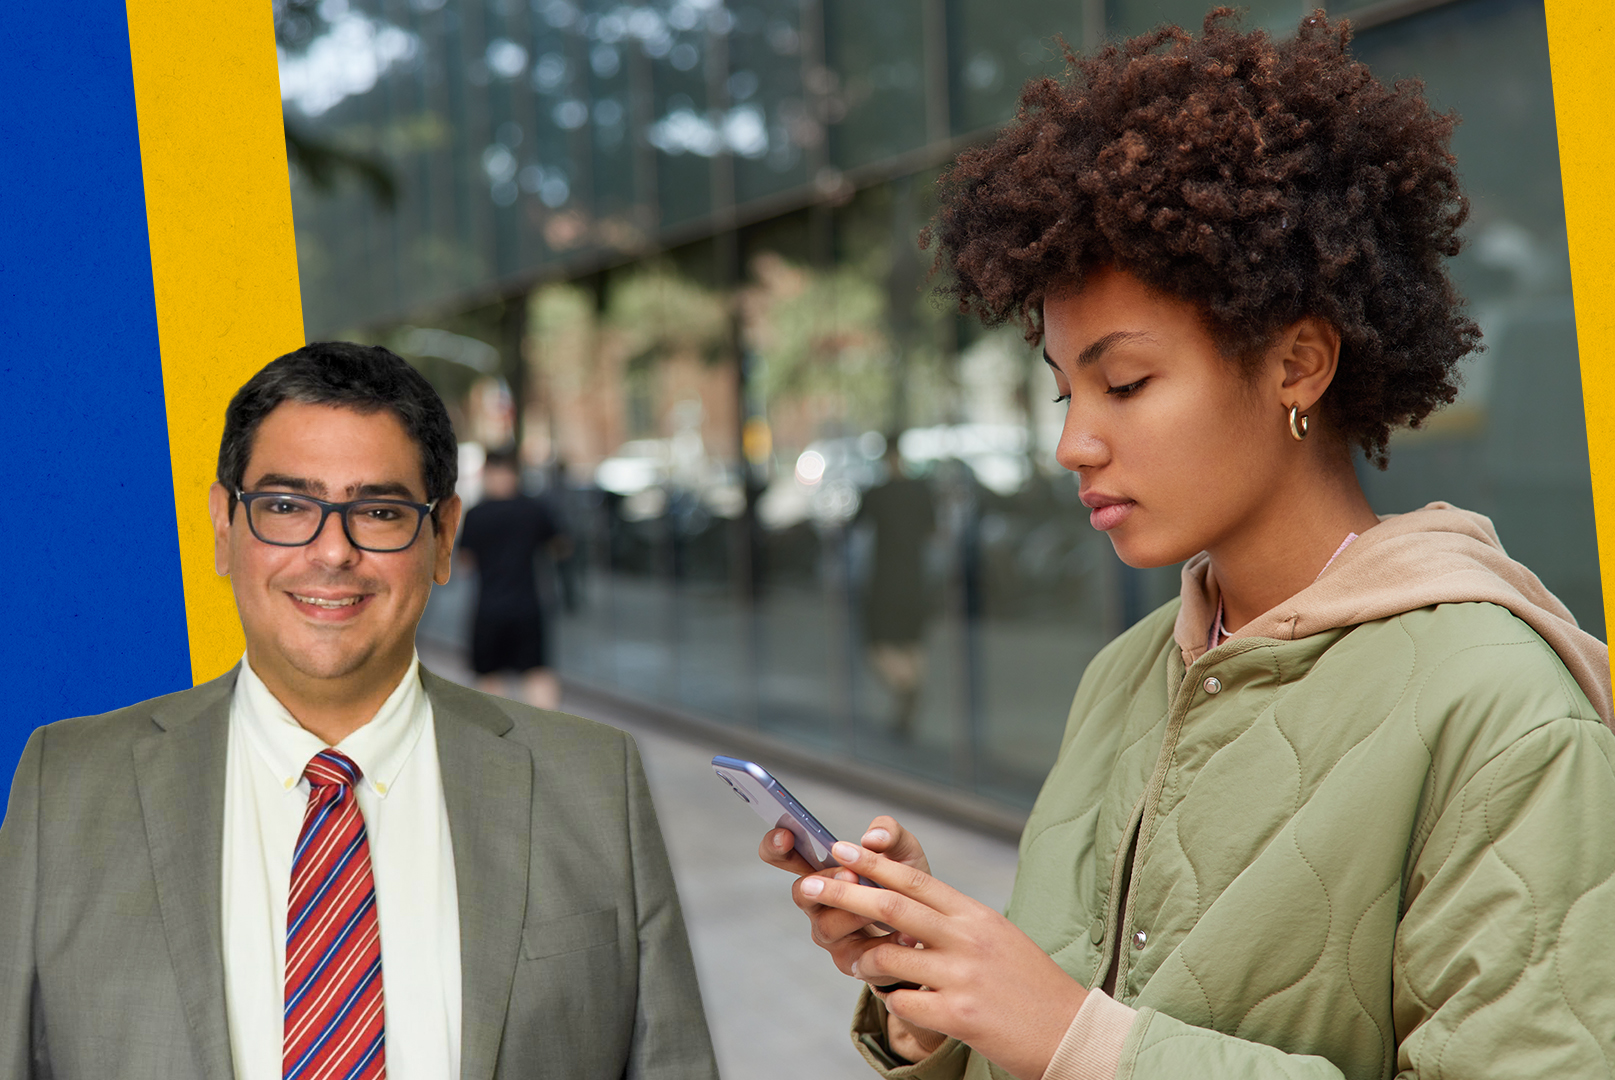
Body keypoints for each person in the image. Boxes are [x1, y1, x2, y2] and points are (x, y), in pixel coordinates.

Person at [760, 11, 1615, 1080]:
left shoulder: (1499, 708)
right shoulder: (1123, 678)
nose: (1073, 441)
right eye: (1066, 391)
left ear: (1299, 361)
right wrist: (936, 1008)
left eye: (1123, 384)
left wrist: (1082, 1039)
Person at [0, 342, 718, 1080]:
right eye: (285, 506)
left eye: (378, 511)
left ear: (442, 538)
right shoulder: (67, 788)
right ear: (224, 526)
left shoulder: (596, 782)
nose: (332, 551)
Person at [459, 446, 567, 710]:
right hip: (528, 606)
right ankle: (550, 739)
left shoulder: (476, 514)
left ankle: (503, 745)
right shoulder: (533, 509)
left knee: (490, 679)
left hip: (489, 608)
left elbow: (464, 563)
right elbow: (561, 547)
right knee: (537, 673)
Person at [855, 440, 938, 737]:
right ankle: (908, 691)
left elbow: (855, 527)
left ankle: (906, 690)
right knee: (910, 641)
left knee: (880, 643)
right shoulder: (919, 491)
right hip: (914, 577)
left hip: (887, 578)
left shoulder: (878, 493)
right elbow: (933, 532)